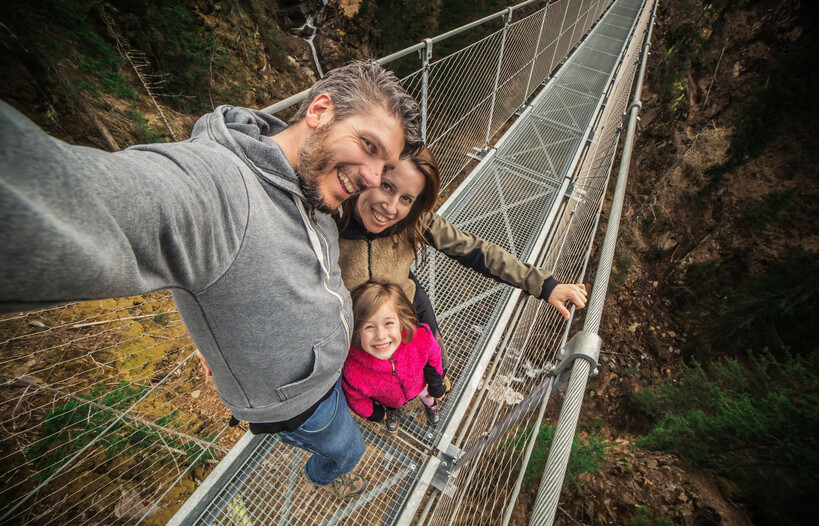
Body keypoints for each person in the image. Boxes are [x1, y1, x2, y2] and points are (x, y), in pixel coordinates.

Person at [0, 59, 422, 500]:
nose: (374, 179)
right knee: (348, 451)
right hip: (300, 404)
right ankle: (324, 476)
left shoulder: (310, 182)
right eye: (368, 146)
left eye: (385, 165)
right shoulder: (219, 186)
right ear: (318, 110)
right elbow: (76, 202)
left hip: (325, 374)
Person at [335, 147, 589, 374]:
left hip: (404, 303)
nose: (390, 208)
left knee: (435, 363)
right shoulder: (330, 220)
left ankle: (434, 395)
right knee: (368, 373)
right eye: (387, 186)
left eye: (406, 199)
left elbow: (477, 251)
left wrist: (545, 285)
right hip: (347, 323)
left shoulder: (414, 221)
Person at [343, 280, 446, 433]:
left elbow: (434, 355)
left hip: (420, 386)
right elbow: (355, 399)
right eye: (369, 326)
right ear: (357, 330)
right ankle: (392, 411)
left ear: (401, 321)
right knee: (393, 404)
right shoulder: (353, 370)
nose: (380, 336)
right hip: (388, 399)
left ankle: (430, 405)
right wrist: (376, 414)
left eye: (389, 323)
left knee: (428, 395)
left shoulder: (419, 338)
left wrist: (436, 384)